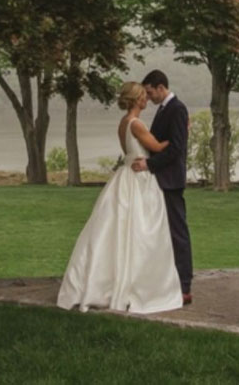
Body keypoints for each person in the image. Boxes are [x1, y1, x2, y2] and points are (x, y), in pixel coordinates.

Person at [56, 81, 183, 314]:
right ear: (136, 100)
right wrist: (182, 134)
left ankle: (107, 280)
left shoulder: (123, 123)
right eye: (143, 96)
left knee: (114, 229)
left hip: (124, 176)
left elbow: (130, 152)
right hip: (138, 180)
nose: (146, 99)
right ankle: (137, 285)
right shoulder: (137, 124)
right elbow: (157, 147)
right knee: (140, 231)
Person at [131, 69, 193, 305]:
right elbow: (157, 141)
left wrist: (149, 163)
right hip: (160, 180)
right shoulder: (164, 109)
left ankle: (185, 286)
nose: (148, 97)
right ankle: (166, 281)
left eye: (149, 92)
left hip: (171, 180)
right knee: (162, 234)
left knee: (178, 233)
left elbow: (176, 148)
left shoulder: (177, 109)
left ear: (160, 87)